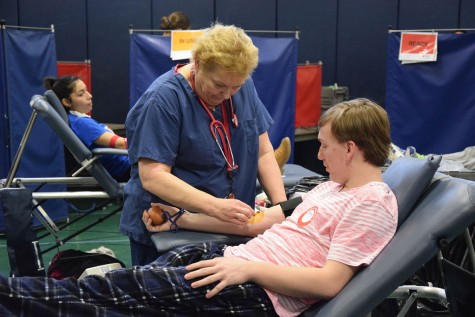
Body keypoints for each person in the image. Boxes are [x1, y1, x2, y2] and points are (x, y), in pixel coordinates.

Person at [0, 98, 398, 316]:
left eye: (325, 146)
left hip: (254, 288)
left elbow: (330, 283)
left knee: (104, 301)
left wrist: (247, 268)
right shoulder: (330, 188)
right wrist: (181, 220)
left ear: (350, 148)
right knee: (101, 290)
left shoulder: (371, 202)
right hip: (230, 261)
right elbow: (260, 223)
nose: (321, 155)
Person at [122, 23, 288, 266]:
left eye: (236, 86)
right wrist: (215, 206)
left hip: (228, 225)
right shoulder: (163, 100)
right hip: (168, 228)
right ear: (197, 63)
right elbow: (153, 177)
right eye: (219, 85)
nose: (228, 94)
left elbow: (263, 152)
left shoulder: (241, 86)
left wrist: (283, 210)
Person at [44, 76, 131, 182]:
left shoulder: (79, 120)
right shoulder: (82, 123)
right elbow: (121, 144)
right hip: (128, 169)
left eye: (86, 90)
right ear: (67, 102)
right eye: (81, 94)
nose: (89, 96)